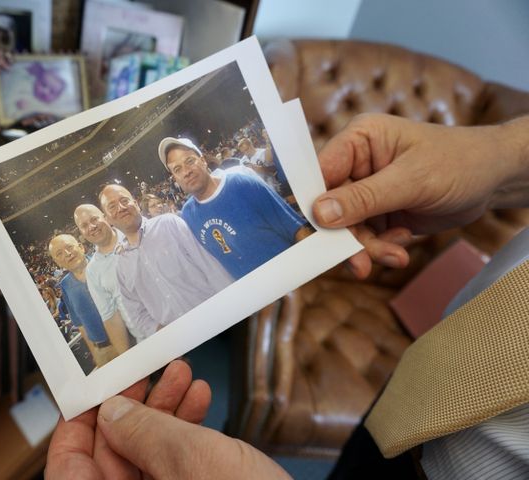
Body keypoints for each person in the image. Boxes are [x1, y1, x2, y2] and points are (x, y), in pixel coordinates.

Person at [47, 113, 529, 479]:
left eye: (188, 159)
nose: (183, 170)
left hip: (479, 454)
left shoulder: (186, 214)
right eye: (175, 168)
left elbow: (223, 260)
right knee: (361, 456)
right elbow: (138, 307)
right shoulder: (177, 221)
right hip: (416, 394)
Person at [158, 136, 312, 279]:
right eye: (177, 169)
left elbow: (297, 229)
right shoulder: (188, 215)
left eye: (190, 161)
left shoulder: (241, 183)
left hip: (293, 277)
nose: (186, 172)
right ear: (175, 179)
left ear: (203, 161)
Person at [98, 184, 233, 335]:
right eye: (112, 206)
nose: (121, 208)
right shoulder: (122, 266)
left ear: (135, 203)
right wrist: (159, 331)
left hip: (218, 320)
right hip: (181, 346)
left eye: (124, 200)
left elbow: (211, 266)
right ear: (108, 219)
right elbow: (137, 314)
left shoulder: (169, 224)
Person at [73, 204, 141, 346]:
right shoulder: (92, 271)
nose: (92, 227)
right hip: (147, 339)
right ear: (81, 233)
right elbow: (110, 317)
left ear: (105, 217)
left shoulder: (137, 232)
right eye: (84, 225)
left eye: (94, 219)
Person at [48, 234, 117, 368]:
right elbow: (80, 323)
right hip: (104, 351)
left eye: (69, 247)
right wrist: (95, 353)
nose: (67, 254)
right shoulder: (65, 285)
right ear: (58, 263)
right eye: (59, 253)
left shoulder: (105, 264)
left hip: (130, 336)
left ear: (81, 247)